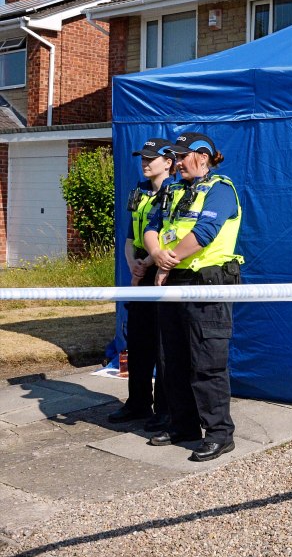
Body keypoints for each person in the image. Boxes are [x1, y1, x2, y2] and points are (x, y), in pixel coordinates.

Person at [143, 132, 244, 462]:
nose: (177, 162)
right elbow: (152, 226)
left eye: (183, 156)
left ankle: (219, 433)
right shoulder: (173, 191)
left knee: (207, 361)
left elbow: (204, 234)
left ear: (202, 157)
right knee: (173, 359)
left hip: (207, 283)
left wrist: (166, 260)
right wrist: (157, 253)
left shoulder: (220, 189)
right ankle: (182, 426)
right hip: (175, 282)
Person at [108, 138, 176, 429]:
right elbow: (127, 236)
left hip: (165, 271)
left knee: (164, 344)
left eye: (152, 159)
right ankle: (137, 404)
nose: (145, 163)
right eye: (143, 158)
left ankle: (165, 410)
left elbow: (174, 236)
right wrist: (132, 266)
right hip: (138, 270)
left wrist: (148, 264)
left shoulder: (177, 193)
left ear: (168, 163)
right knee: (137, 340)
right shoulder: (138, 189)